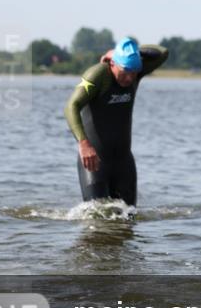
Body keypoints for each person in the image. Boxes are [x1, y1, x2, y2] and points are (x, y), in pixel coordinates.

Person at [64, 36, 168, 206]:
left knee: (129, 217)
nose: (129, 78)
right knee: (97, 216)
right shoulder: (97, 75)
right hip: (95, 163)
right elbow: (71, 106)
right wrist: (83, 143)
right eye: (124, 72)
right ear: (112, 63)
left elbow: (163, 52)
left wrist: (133, 52)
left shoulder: (136, 72)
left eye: (133, 73)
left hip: (123, 163)